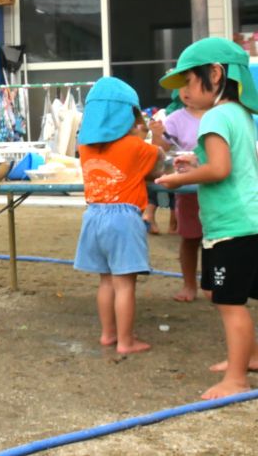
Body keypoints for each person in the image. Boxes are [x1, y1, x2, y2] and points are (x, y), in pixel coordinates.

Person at [156, 37, 258, 399]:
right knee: (243, 295)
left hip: (232, 227)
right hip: (251, 221)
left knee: (230, 303)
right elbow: (229, 164)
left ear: (215, 74)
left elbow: (219, 169)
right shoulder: (241, 114)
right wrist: (195, 162)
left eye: (187, 81)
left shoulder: (214, 116)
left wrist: (177, 179)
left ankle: (235, 379)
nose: (184, 91)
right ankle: (249, 359)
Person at [74, 77, 164, 355]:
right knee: (125, 284)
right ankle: (126, 341)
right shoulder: (135, 147)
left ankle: (108, 334)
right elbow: (158, 166)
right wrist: (155, 136)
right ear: (129, 115)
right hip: (124, 218)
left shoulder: (84, 147)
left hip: (94, 216)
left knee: (106, 281)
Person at [149, 87, 208, 301]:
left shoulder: (220, 114)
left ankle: (214, 284)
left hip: (217, 189)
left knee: (218, 239)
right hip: (187, 189)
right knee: (190, 239)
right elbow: (161, 151)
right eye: (182, 87)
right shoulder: (175, 118)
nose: (186, 91)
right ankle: (189, 285)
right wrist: (156, 134)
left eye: (191, 85)